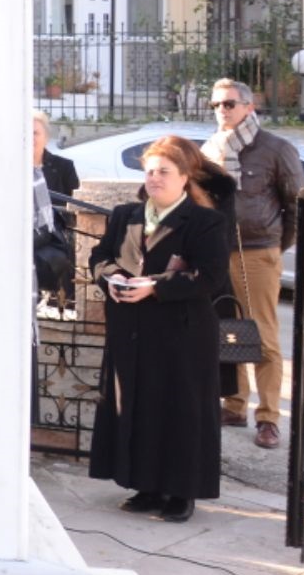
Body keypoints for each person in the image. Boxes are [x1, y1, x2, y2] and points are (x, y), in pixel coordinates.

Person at [88, 135, 233, 524]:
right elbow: (100, 257)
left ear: (185, 177)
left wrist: (156, 287)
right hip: (132, 331)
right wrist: (112, 279)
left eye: (164, 172)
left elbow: (213, 277)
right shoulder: (125, 215)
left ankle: (181, 492)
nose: (155, 178)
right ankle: (145, 485)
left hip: (181, 335)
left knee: (179, 412)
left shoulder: (206, 221)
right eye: (150, 171)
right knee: (140, 406)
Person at [203, 77, 304, 449]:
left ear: (249, 106)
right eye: (215, 105)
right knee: (228, 327)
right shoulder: (211, 148)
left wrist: (276, 247)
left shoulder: (275, 148)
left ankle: (268, 418)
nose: (221, 111)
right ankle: (234, 404)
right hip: (218, 251)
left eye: (228, 104)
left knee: (262, 334)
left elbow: (297, 203)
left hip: (259, 251)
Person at [34, 110, 79, 202]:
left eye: (35, 133)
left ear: (46, 138)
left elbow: (76, 208)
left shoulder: (64, 167)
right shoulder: (9, 168)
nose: (30, 137)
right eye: (25, 132)